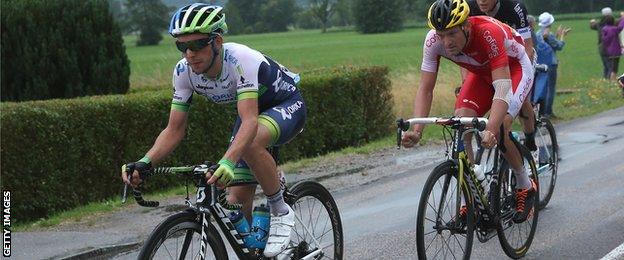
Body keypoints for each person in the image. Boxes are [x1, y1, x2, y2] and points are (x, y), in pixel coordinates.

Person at [120, 4, 306, 257]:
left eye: (197, 45)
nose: (189, 53)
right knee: (235, 200)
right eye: (181, 46)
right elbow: (174, 129)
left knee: (249, 145)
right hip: (250, 114)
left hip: (284, 105)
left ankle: (280, 209)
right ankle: (256, 249)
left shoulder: (241, 60)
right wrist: (144, 161)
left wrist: (228, 161)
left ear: (217, 41)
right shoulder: (183, 72)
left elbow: (250, 122)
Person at [402, 0, 536, 223]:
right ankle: (471, 198)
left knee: (501, 127)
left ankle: (525, 185)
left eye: (452, 34)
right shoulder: (433, 41)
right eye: (441, 34)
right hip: (481, 73)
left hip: (514, 69)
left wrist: (491, 129)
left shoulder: (488, 33)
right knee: (462, 119)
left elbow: (502, 88)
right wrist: (417, 130)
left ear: (466, 26)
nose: (446, 42)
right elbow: (426, 88)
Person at [467, 0, 537, 150]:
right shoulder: (470, 7)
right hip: (491, 60)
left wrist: (523, 82)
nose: (482, 1)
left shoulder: (514, 7)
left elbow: (528, 47)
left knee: (521, 100)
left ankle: (531, 139)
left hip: (519, 56)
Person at [537, 12, 570, 119]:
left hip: (540, 64)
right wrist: (562, 36)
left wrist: (555, 35)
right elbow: (558, 46)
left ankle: (541, 111)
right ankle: (548, 112)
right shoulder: (549, 35)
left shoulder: (537, 34)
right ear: (550, 23)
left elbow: (549, 44)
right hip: (551, 64)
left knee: (542, 88)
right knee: (551, 88)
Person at [591, 7, 614, 79]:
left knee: (606, 66)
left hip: (601, 47)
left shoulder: (599, 24)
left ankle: (605, 80)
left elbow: (592, 26)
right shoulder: (612, 24)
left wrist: (592, 21)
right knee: (611, 67)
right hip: (610, 47)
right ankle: (608, 82)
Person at [601, 15, 624, 80]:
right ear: (613, 21)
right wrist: (623, 18)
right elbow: (621, 27)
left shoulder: (604, 29)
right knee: (614, 69)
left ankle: (608, 79)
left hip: (608, 51)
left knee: (610, 67)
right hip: (615, 52)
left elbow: (604, 39)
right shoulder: (614, 29)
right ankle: (612, 82)